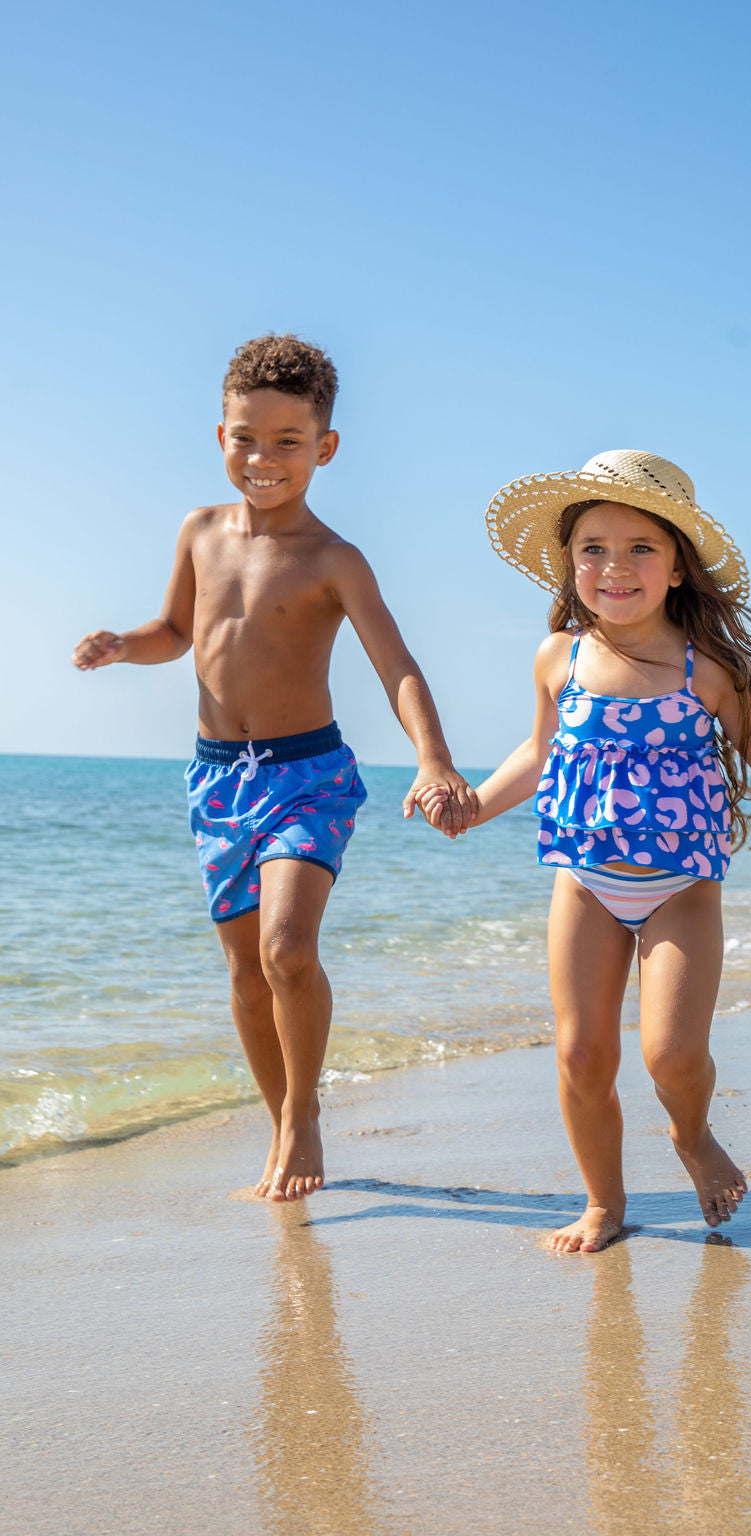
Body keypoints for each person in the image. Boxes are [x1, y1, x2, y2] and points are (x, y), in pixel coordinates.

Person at [419, 450, 751, 1251]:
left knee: (673, 1056)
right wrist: (473, 804)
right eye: (593, 548)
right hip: (583, 884)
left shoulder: (708, 669)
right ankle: (603, 1205)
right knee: (580, 1053)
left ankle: (691, 1133)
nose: (616, 566)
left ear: (679, 566)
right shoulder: (559, 657)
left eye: (641, 547)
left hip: (681, 888)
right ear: (570, 564)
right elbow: (538, 756)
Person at [72, 333, 475, 1202]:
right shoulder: (199, 532)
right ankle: (278, 1122)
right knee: (247, 977)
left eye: (287, 443)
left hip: (307, 772)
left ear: (324, 449)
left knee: (288, 950)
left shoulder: (334, 559)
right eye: (245, 438)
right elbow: (176, 633)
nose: (263, 458)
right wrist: (121, 646)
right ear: (219, 436)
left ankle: (303, 1118)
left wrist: (432, 759)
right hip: (217, 777)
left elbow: (396, 665)